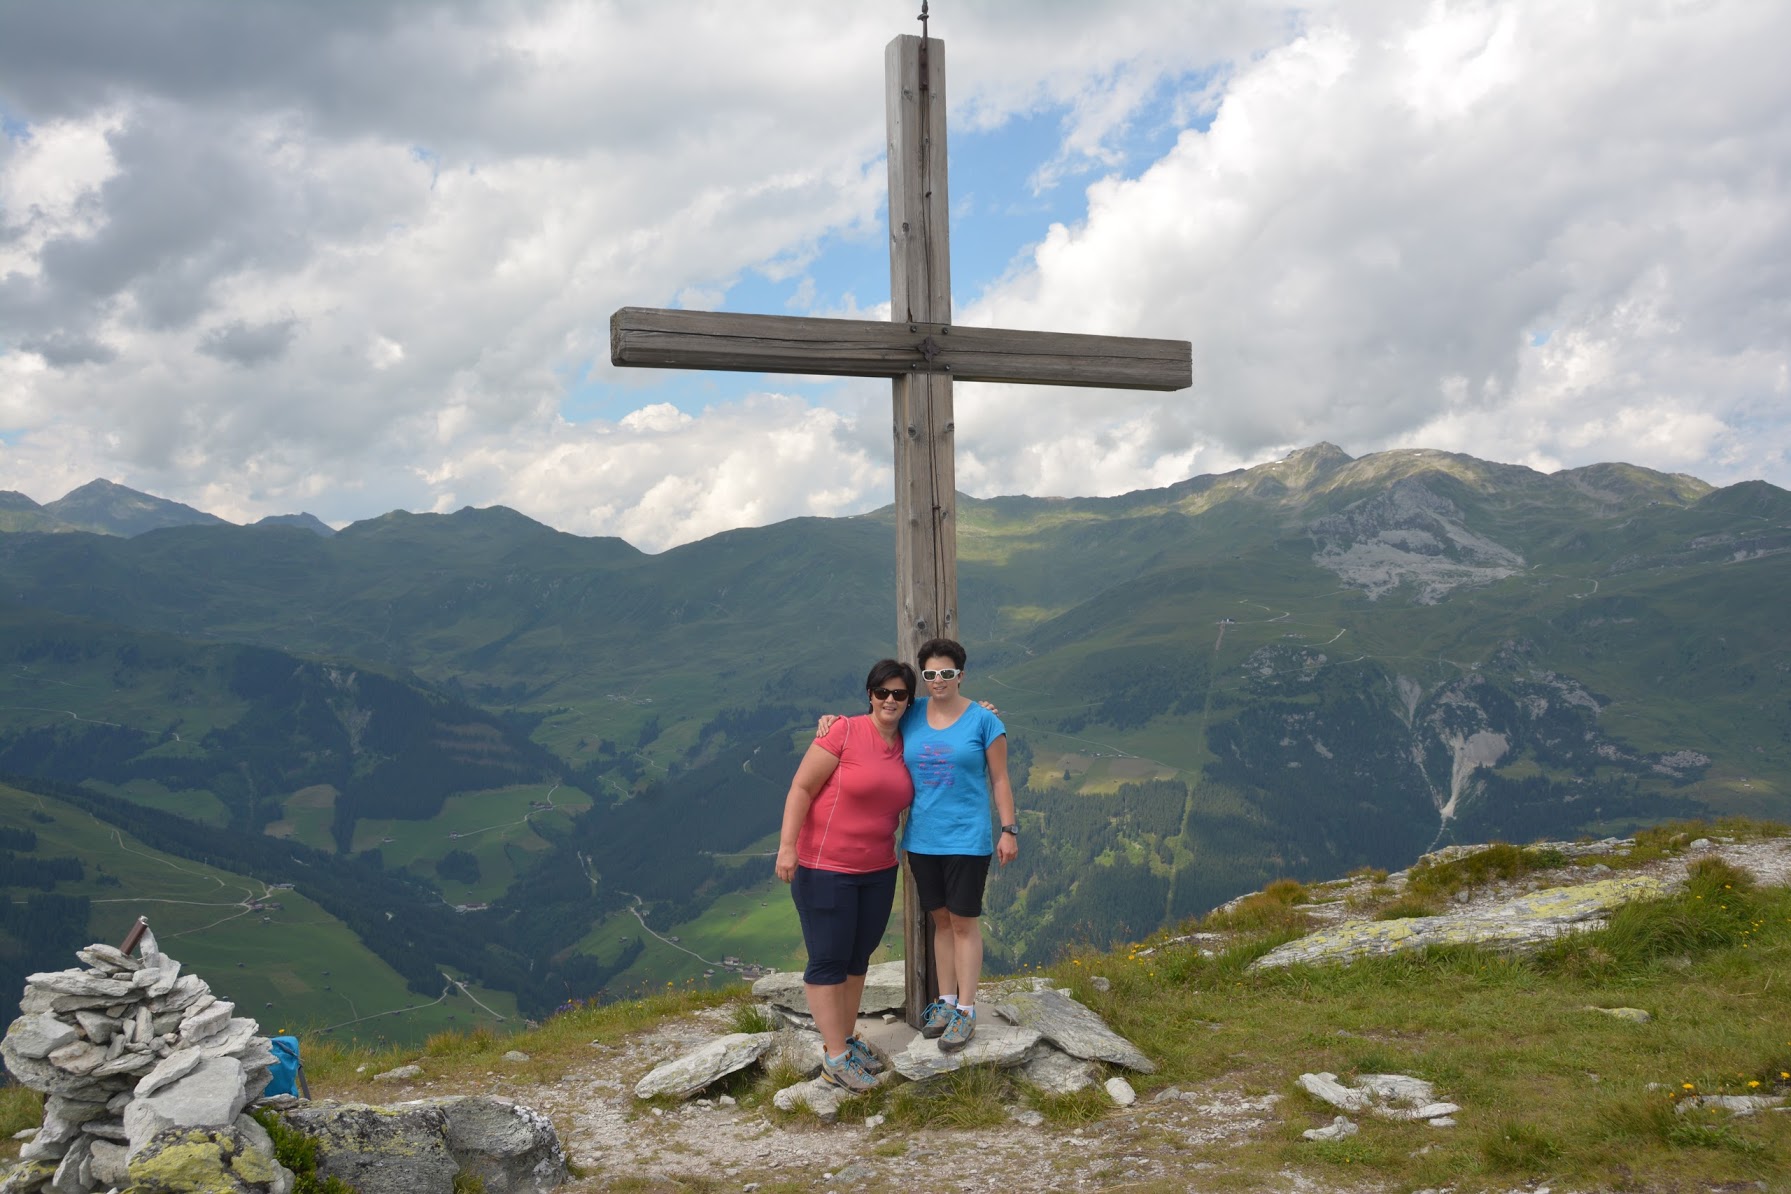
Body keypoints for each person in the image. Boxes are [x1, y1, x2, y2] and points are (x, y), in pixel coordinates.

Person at [775, 659, 917, 1093]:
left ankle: (847, 1041)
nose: (889, 700)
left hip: (877, 869)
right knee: (828, 958)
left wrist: (982, 709)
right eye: (881, 692)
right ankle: (834, 1058)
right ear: (869, 695)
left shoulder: (909, 739)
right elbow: (801, 788)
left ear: (909, 700)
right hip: (824, 866)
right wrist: (787, 847)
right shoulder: (843, 731)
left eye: (899, 693)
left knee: (858, 958)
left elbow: (950, 716)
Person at [900, 637, 1017, 1052]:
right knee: (942, 922)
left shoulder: (984, 722)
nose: (938, 680)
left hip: (967, 840)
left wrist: (1009, 829)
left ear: (961, 675)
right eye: (930, 674)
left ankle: (966, 1011)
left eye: (946, 673)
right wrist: (830, 721)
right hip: (922, 840)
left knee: (965, 923)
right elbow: (874, 722)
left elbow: (999, 778)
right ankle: (946, 1003)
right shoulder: (910, 715)